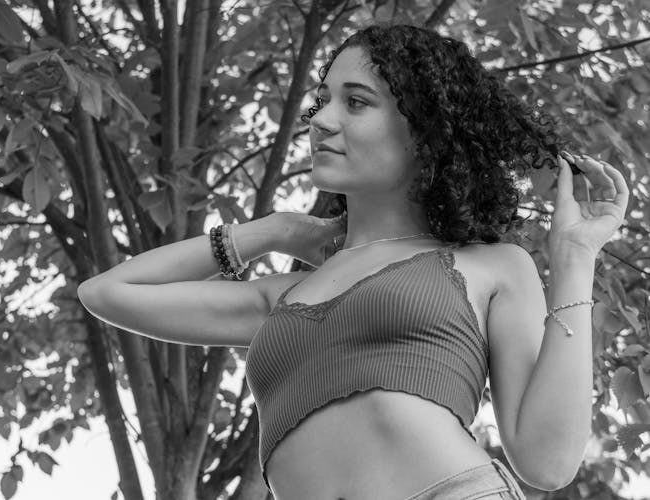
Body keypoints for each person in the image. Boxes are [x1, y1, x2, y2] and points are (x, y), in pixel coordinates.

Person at [77, 23, 629, 500]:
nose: (320, 118)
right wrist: (277, 229)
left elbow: (547, 461)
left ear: (425, 130)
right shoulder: (282, 296)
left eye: (356, 101)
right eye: (323, 98)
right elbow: (106, 293)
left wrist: (574, 257)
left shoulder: (490, 265)